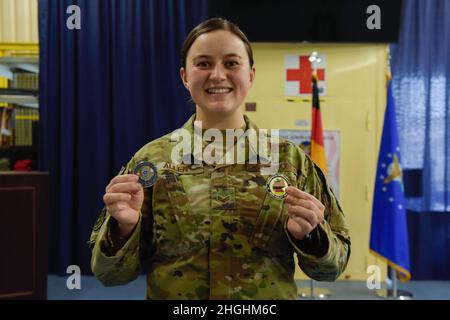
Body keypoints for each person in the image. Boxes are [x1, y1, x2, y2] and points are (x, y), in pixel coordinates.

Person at [90, 18, 350, 300]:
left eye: (231, 63)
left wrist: (310, 237)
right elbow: (109, 276)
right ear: (184, 77)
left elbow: (332, 269)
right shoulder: (151, 162)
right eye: (203, 64)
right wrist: (123, 229)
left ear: (250, 75)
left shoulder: (290, 161)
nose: (217, 75)